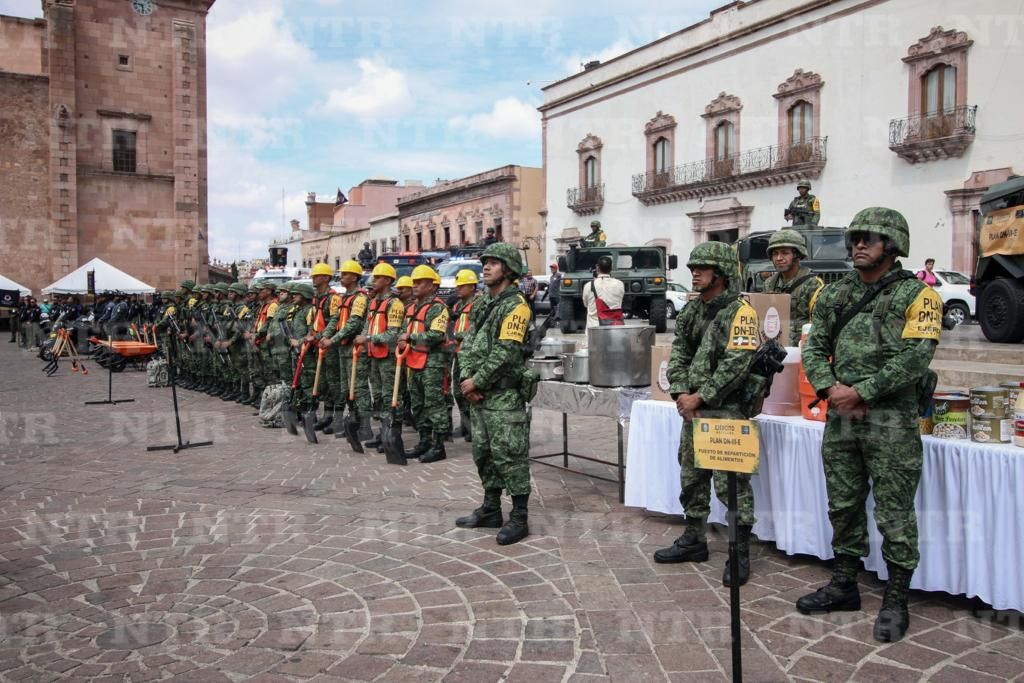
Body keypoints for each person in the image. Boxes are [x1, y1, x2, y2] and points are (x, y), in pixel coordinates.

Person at [796, 207, 941, 643]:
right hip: (840, 417)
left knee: (894, 511)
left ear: (891, 246)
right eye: (856, 237)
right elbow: (813, 345)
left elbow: (917, 357)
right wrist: (828, 390)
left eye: (870, 238)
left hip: (890, 421)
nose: (859, 244)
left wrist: (864, 391)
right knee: (843, 503)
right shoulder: (835, 295)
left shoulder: (919, 296)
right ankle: (844, 585)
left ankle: (895, 598)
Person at [652, 241, 761, 586]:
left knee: (732, 484)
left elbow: (737, 364)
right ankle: (694, 538)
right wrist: (681, 394)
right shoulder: (692, 311)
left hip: (726, 410)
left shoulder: (741, 312)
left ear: (722, 272)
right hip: (693, 410)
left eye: (702, 268)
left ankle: (738, 551)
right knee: (692, 474)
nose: (694, 273)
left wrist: (701, 397)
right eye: (692, 268)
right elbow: (679, 354)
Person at [456, 242, 534, 545]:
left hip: (503, 395)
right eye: (485, 262)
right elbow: (468, 342)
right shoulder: (481, 304)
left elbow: (506, 352)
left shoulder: (517, 305)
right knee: (484, 454)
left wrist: (478, 381)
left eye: (494, 262)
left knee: (510, 456)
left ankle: (519, 517)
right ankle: (490, 509)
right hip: (478, 394)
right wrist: (466, 378)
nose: (486, 267)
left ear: (509, 269)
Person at [398, 265, 450, 463]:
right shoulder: (411, 307)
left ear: (432, 285)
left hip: (432, 363)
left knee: (434, 404)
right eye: (414, 282)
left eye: (420, 282)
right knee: (418, 405)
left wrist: (410, 337)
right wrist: (404, 340)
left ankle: (438, 446)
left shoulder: (438, 308)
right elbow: (403, 332)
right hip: (413, 361)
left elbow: (436, 335)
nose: (416, 285)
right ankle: (424, 441)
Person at [356, 262, 405, 450]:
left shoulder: (395, 303)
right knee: (378, 395)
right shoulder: (375, 302)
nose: (373, 281)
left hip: (390, 357)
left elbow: (393, 333)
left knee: (391, 396)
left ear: (387, 280)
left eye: (377, 278)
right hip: (375, 355)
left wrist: (368, 338)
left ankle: (392, 433)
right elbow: (368, 326)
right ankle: (382, 432)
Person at [321, 260, 371, 439]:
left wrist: (332, 340)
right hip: (343, 348)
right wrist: (325, 336)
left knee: (358, 388)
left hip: (355, 349)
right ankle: (354, 423)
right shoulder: (344, 298)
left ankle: (365, 427)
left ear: (355, 277)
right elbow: (335, 320)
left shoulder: (360, 298)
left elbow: (354, 323)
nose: (341, 277)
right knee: (346, 389)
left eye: (345, 274)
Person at [764, 229, 824, 346]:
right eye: (775, 254)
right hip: (774, 346)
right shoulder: (769, 283)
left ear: (797, 254)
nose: (779, 258)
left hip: (801, 349)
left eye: (784, 253)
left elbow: (819, 325)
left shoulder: (813, 284)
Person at [308, 263, 344, 433]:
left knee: (334, 382)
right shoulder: (317, 297)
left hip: (330, 346)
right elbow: (315, 320)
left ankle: (337, 418)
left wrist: (319, 336)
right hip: (318, 344)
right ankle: (327, 415)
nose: (313, 279)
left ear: (326, 278)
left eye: (316, 276)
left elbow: (334, 323)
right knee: (324, 383)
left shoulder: (333, 298)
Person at [450, 269, 484, 442]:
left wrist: (457, 337)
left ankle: (474, 427)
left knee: (469, 390)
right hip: (458, 352)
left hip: (470, 354)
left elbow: (477, 329)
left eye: (462, 286)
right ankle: (466, 425)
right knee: (457, 391)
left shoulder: (479, 303)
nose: (458, 289)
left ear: (472, 286)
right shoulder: (458, 304)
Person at [582, 255, 625, 328]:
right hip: (615, 328)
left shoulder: (588, 286)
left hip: (594, 328)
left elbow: (586, 304)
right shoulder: (620, 284)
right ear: (611, 268)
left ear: (597, 268)